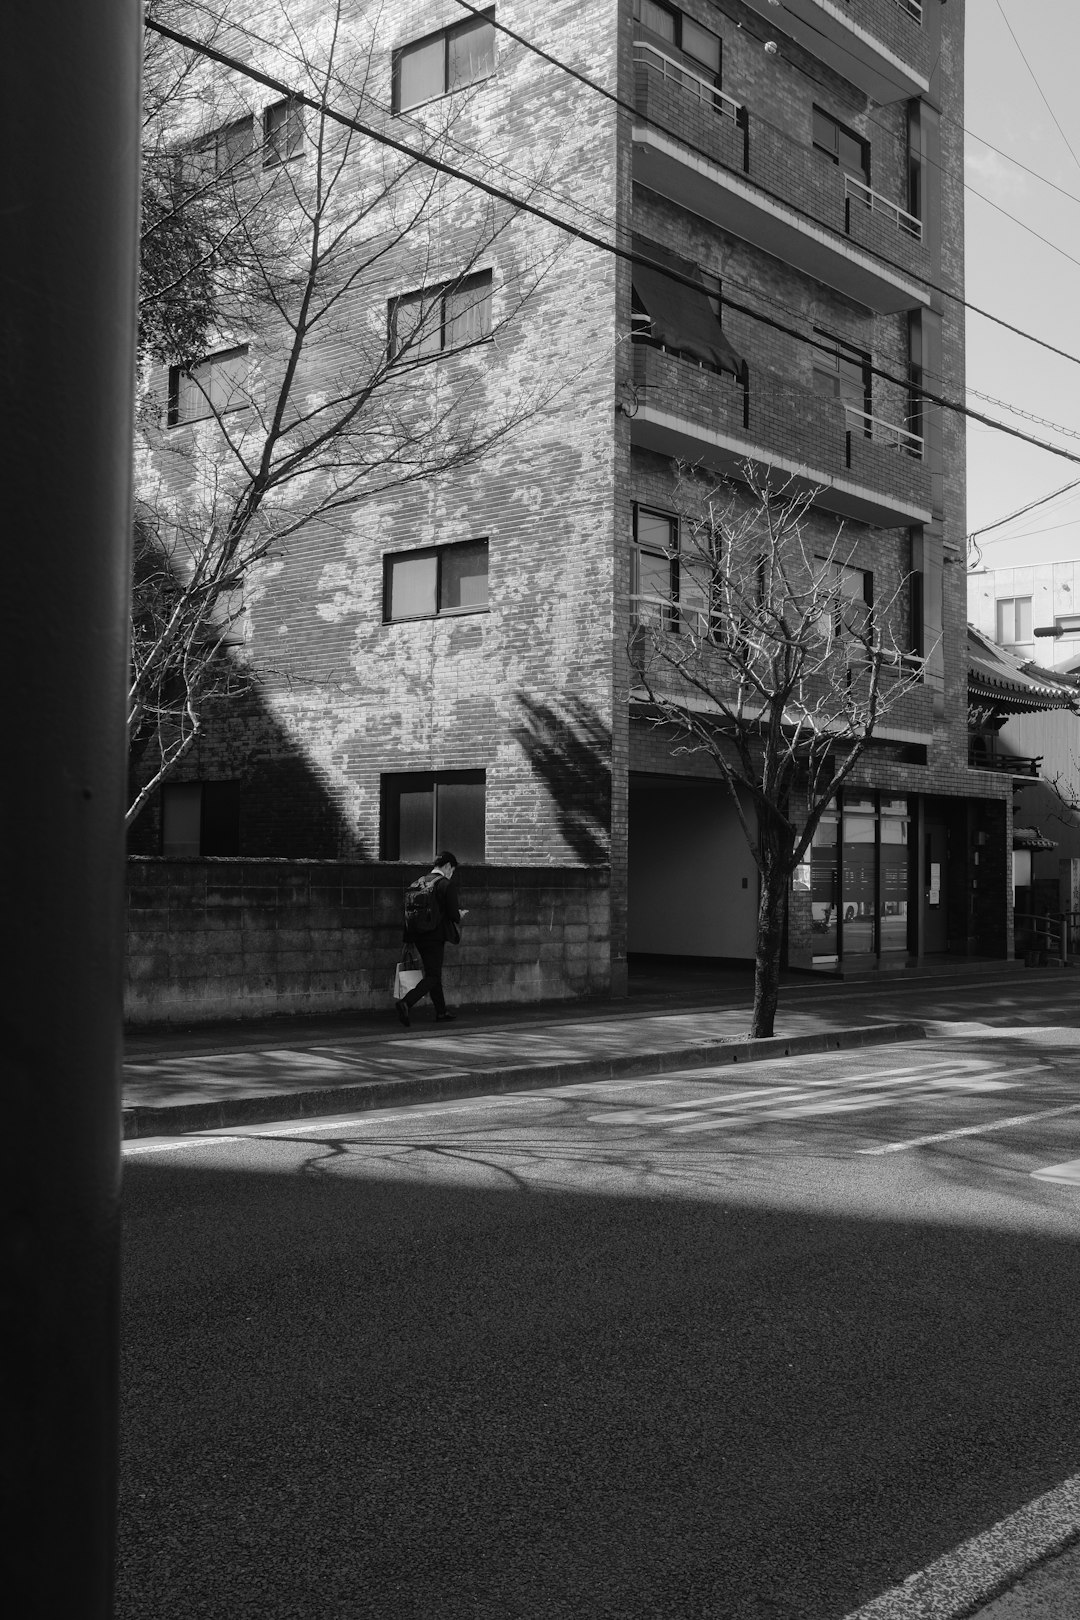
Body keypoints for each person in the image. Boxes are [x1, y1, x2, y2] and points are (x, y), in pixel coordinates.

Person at [396, 851, 467, 1026]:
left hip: (417, 935)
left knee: (433, 972)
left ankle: (441, 1011)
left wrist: (408, 939)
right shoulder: (445, 884)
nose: (452, 873)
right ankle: (406, 1002)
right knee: (433, 975)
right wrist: (460, 914)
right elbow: (453, 914)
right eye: (452, 870)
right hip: (435, 936)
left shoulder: (419, 882)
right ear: (448, 866)